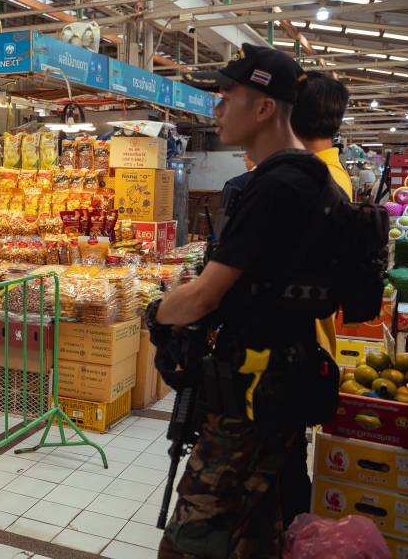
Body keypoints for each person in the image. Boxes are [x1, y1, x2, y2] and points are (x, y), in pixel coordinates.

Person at [149, 44, 343, 558]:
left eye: (227, 96)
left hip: (252, 393)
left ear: (263, 108)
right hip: (286, 381)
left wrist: (157, 312)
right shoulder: (315, 179)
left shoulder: (276, 186)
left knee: (190, 542)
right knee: (256, 536)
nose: (216, 108)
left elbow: (204, 296)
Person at [276, 70, 353, 529]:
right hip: (310, 341)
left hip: (294, 346)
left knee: (283, 468)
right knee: (286, 460)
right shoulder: (333, 175)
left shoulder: (308, 182)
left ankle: (292, 536)